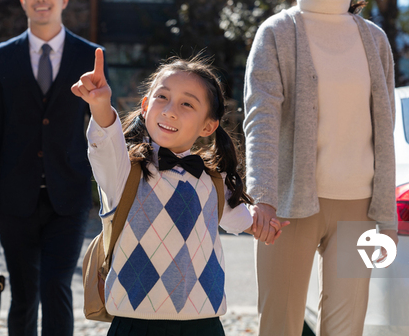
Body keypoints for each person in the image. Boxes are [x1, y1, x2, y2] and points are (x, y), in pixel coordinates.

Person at [243, 0, 398, 336]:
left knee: (347, 328)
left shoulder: (375, 39)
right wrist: (263, 197)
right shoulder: (276, 33)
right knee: (280, 325)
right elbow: (262, 118)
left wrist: (387, 218)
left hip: (361, 211)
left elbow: (385, 132)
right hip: (289, 207)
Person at [72, 50, 288, 335]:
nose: (170, 109)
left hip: (204, 324)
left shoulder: (213, 182)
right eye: (162, 97)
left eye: (187, 103)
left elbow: (243, 220)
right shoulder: (124, 172)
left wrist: (264, 224)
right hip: (135, 324)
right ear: (145, 106)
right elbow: (105, 144)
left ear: (208, 125)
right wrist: (100, 105)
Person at [0, 0, 104, 336]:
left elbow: (101, 129)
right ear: (22, 0)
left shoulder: (89, 57)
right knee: (25, 294)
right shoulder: (0, 58)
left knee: (56, 286)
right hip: (15, 197)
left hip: (69, 195)